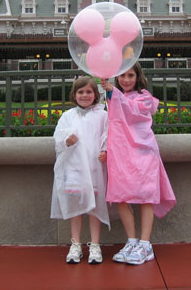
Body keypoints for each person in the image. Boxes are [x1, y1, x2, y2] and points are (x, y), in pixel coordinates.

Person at [100, 62, 176, 265]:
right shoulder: (111, 95)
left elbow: (135, 112)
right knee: (121, 196)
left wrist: (112, 92)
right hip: (120, 152)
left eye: (130, 75)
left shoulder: (144, 97)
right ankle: (132, 241)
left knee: (145, 197)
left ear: (138, 77)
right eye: (122, 75)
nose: (126, 79)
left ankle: (145, 244)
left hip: (143, 152)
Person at [51, 76, 109, 264]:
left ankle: (95, 244)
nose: (85, 95)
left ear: (95, 95)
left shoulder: (103, 115)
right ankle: (75, 243)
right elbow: (58, 137)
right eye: (81, 92)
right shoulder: (68, 115)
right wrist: (67, 141)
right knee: (76, 207)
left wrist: (105, 150)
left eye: (89, 92)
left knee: (94, 206)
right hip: (74, 169)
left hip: (94, 168)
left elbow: (108, 134)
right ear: (74, 95)